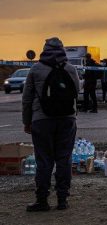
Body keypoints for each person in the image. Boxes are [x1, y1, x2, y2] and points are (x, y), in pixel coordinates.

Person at [22, 37, 80, 211]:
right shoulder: (70, 69)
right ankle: (62, 199)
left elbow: (27, 99)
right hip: (67, 119)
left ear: (44, 49)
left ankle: (42, 200)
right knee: (64, 159)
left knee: (44, 160)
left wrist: (27, 121)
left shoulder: (35, 69)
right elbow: (77, 92)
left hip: (41, 120)